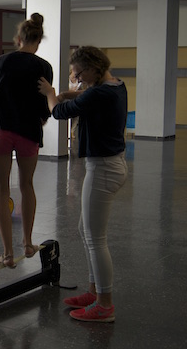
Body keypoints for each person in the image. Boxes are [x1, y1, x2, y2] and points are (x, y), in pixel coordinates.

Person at [38, 46, 128, 323]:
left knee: (95, 239)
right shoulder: (116, 85)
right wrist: (70, 93)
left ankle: (105, 305)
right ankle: (94, 291)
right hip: (110, 165)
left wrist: (52, 93)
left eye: (79, 74)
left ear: (93, 68)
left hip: (102, 169)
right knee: (85, 230)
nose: (78, 79)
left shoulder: (98, 93)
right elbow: (89, 96)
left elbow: (58, 112)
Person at [0, 13, 53, 269]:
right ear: (38, 41)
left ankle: (7, 254)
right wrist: (41, 118)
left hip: (2, 131)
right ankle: (27, 243)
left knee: (2, 191)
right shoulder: (44, 66)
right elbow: (44, 103)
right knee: (27, 185)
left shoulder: (1, 61)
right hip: (29, 132)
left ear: (18, 39)